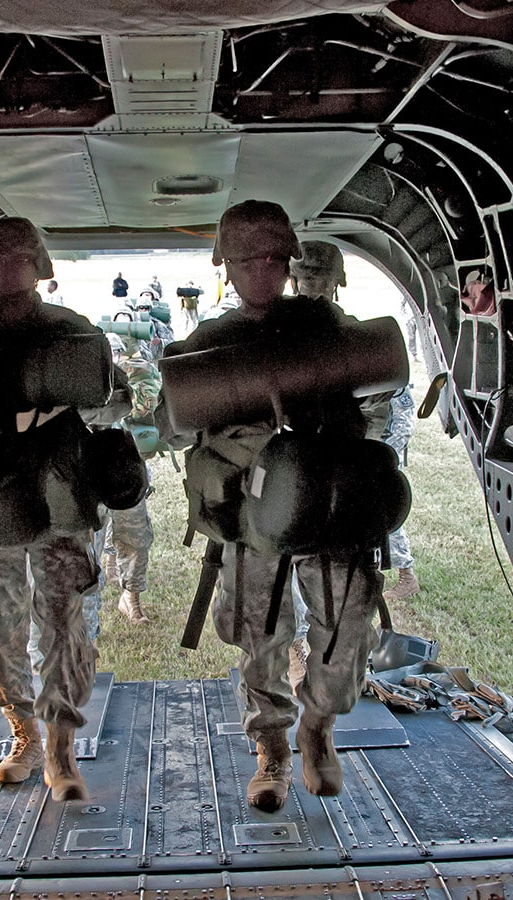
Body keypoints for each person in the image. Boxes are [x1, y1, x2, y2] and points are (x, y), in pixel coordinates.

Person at [162, 201, 390, 814]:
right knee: (261, 637)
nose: (261, 270)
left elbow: (373, 385)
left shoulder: (322, 326)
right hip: (252, 514)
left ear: (288, 261)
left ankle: (318, 724)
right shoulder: (209, 343)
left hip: (329, 509)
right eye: (246, 259)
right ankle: (272, 748)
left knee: (349, 624)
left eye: (272, 257)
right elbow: (174, 423)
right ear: (226, 267)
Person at [0, 217, 110, 802]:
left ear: (39, 262)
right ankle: (24, 735)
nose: (10, 266)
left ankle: (60, 750)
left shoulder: (69, 330)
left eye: (20, 254)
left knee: (62, 623)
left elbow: (103, 404)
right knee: (0, 624)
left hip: (55, 500)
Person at [289, 241, 421, 605]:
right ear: (340, 281)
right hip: (348, 451)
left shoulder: (304, 337)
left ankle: (403, 572)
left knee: (358, 511)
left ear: (290, 279)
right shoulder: (355, 337)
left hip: (351, 449)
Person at [104, 332, 160, 622]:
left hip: (124, 473)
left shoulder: (137, 378)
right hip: (86, 471)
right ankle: (110, 562)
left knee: (137, 537)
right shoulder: (81, 383)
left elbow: (148, 415)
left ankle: (131, 597)